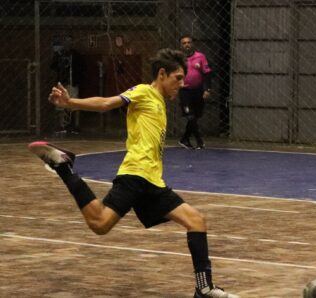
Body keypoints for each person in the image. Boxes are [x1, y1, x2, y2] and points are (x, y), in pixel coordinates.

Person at [28, 49, 239, 298]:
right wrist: (71, 103)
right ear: (162, 74)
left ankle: (203, 289)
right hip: (135, 175)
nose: (181, 84)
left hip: (152, 181)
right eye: (178, 78)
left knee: (196, 221)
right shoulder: (143, 92)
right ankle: (64, 168)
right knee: (100, 223)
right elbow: (107, 103)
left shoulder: (159, 102)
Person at [179, 35, 213, 149]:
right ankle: (199, 141)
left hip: (198, 90)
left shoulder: (200, 56)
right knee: (190, 116)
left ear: (192, 44)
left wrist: (207, 89)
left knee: (197, 115)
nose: (186, 45)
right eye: (184, 43)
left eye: (188, 42)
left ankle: (185, 139)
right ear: (181, 45)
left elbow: (207, 73)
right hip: (185, 91)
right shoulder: (178, 59)